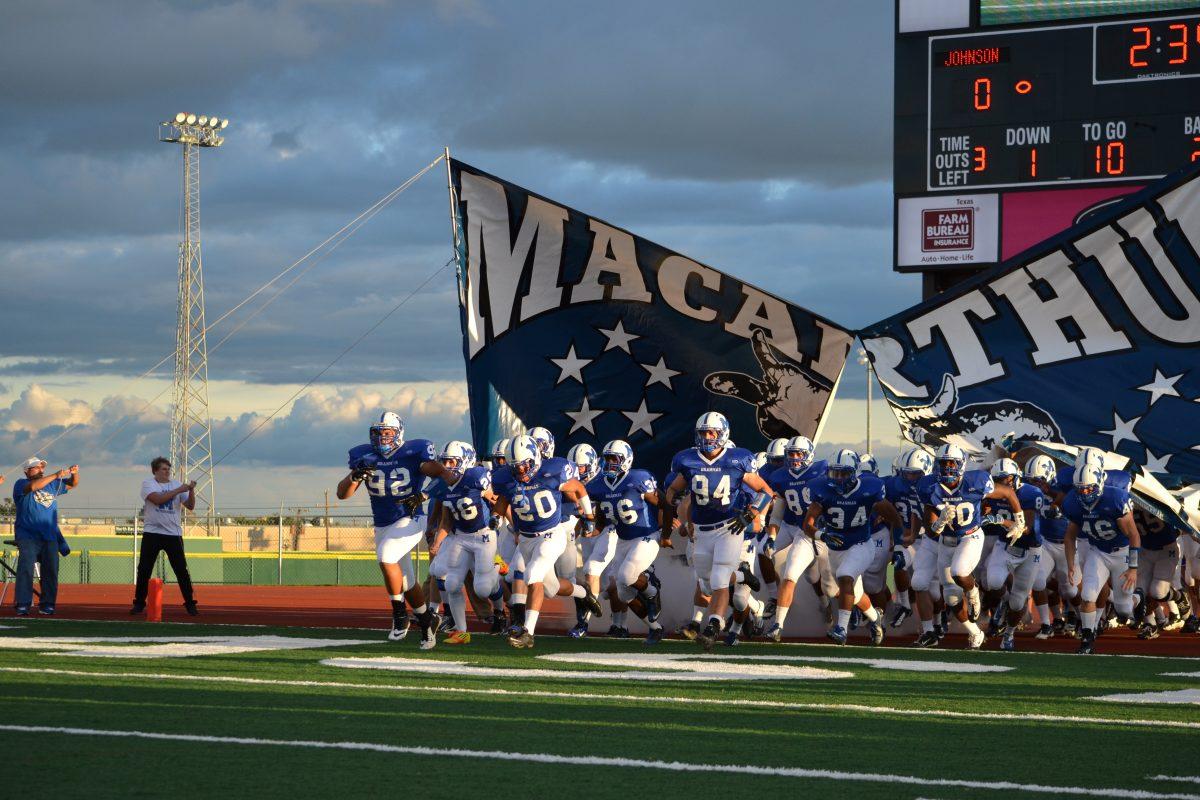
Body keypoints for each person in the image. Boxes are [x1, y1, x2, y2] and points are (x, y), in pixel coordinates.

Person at [338, 411, 456, 647]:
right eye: (378, 433)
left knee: (386, 556)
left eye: (388, 433)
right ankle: (426, 620)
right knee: (405, 581)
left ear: (399, 433)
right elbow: (342, 494)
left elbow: (443, 475)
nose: (382, 438)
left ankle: (399, 614)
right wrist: (354, 476)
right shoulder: (363, 455)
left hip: (410, 518)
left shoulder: (414, 451)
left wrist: (424, 492)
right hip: (383, 524)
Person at [130, 457, 199, 615]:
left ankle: (190, 603)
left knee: (181, 569)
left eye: (168, 469)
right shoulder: (149, 484)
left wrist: (191, 490)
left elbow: (190, 506)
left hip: (172, 534)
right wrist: (179, 490)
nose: (167, 472)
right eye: (164, 469)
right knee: (144, 569)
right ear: (155, 471)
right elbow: (158, 500)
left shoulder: (176, 484)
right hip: (152, 533)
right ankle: (139, 603)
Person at [12, 457, 76, 616]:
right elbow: (33, 486)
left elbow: (72, 484)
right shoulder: (20, 483)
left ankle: (47, 604)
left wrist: (74, 474)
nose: (41, 469)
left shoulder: (52, 484)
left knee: (51, 571)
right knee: (26, 569)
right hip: (27, 535)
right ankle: (23, 604)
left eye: (41, 467)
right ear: (27, 471)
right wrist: (55, 475)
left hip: (49, 536)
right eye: (36, 467)